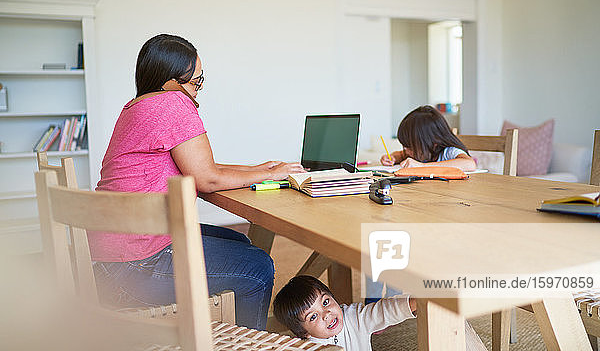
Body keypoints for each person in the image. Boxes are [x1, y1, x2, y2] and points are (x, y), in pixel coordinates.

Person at [89, 33, 305, 330]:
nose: (198, 89)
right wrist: (269, 174)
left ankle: (221, 324)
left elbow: (198, 167)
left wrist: (256, 168)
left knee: (240, 241)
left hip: (110, 259)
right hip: (135, 266)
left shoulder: (136, 106)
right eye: (195, 81)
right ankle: (242, 342)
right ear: (170, 82)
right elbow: (207, 179)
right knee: (257, 267)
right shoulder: (173, 103)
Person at [273, 276, 486, 351]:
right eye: (313, 317)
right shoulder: (303, 346)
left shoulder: (353, 318)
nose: (327, 314)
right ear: (303, 333)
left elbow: (382, 312)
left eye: (326, 302)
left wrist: (413, 303)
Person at [380, 105, 476, 172]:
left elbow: (469, 164)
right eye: (405, 146)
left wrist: (422, 166)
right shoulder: (421, 152)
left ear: (433, 142)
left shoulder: (448, 153)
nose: (406, 151)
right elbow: (401, 155)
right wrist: (392, 158)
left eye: (409, 147)